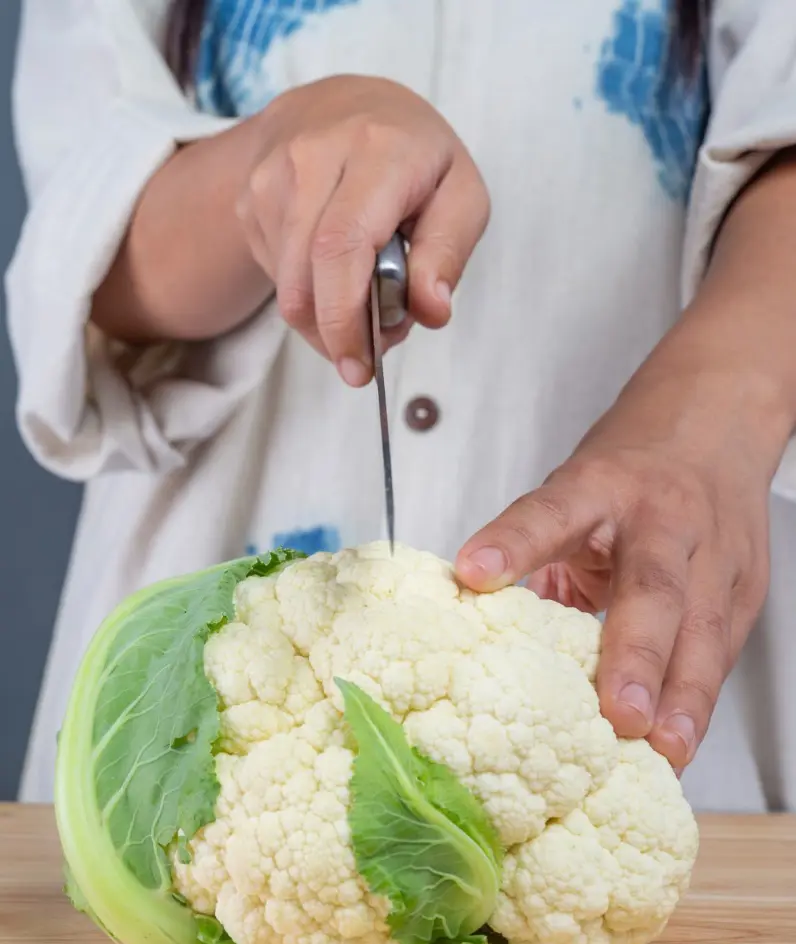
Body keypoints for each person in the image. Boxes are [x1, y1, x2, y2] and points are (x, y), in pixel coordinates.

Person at [7, 0, 796, 810]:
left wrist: (707, 420)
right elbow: (88, 249)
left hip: (664, 646)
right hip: (211, 698)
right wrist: (263, 165)